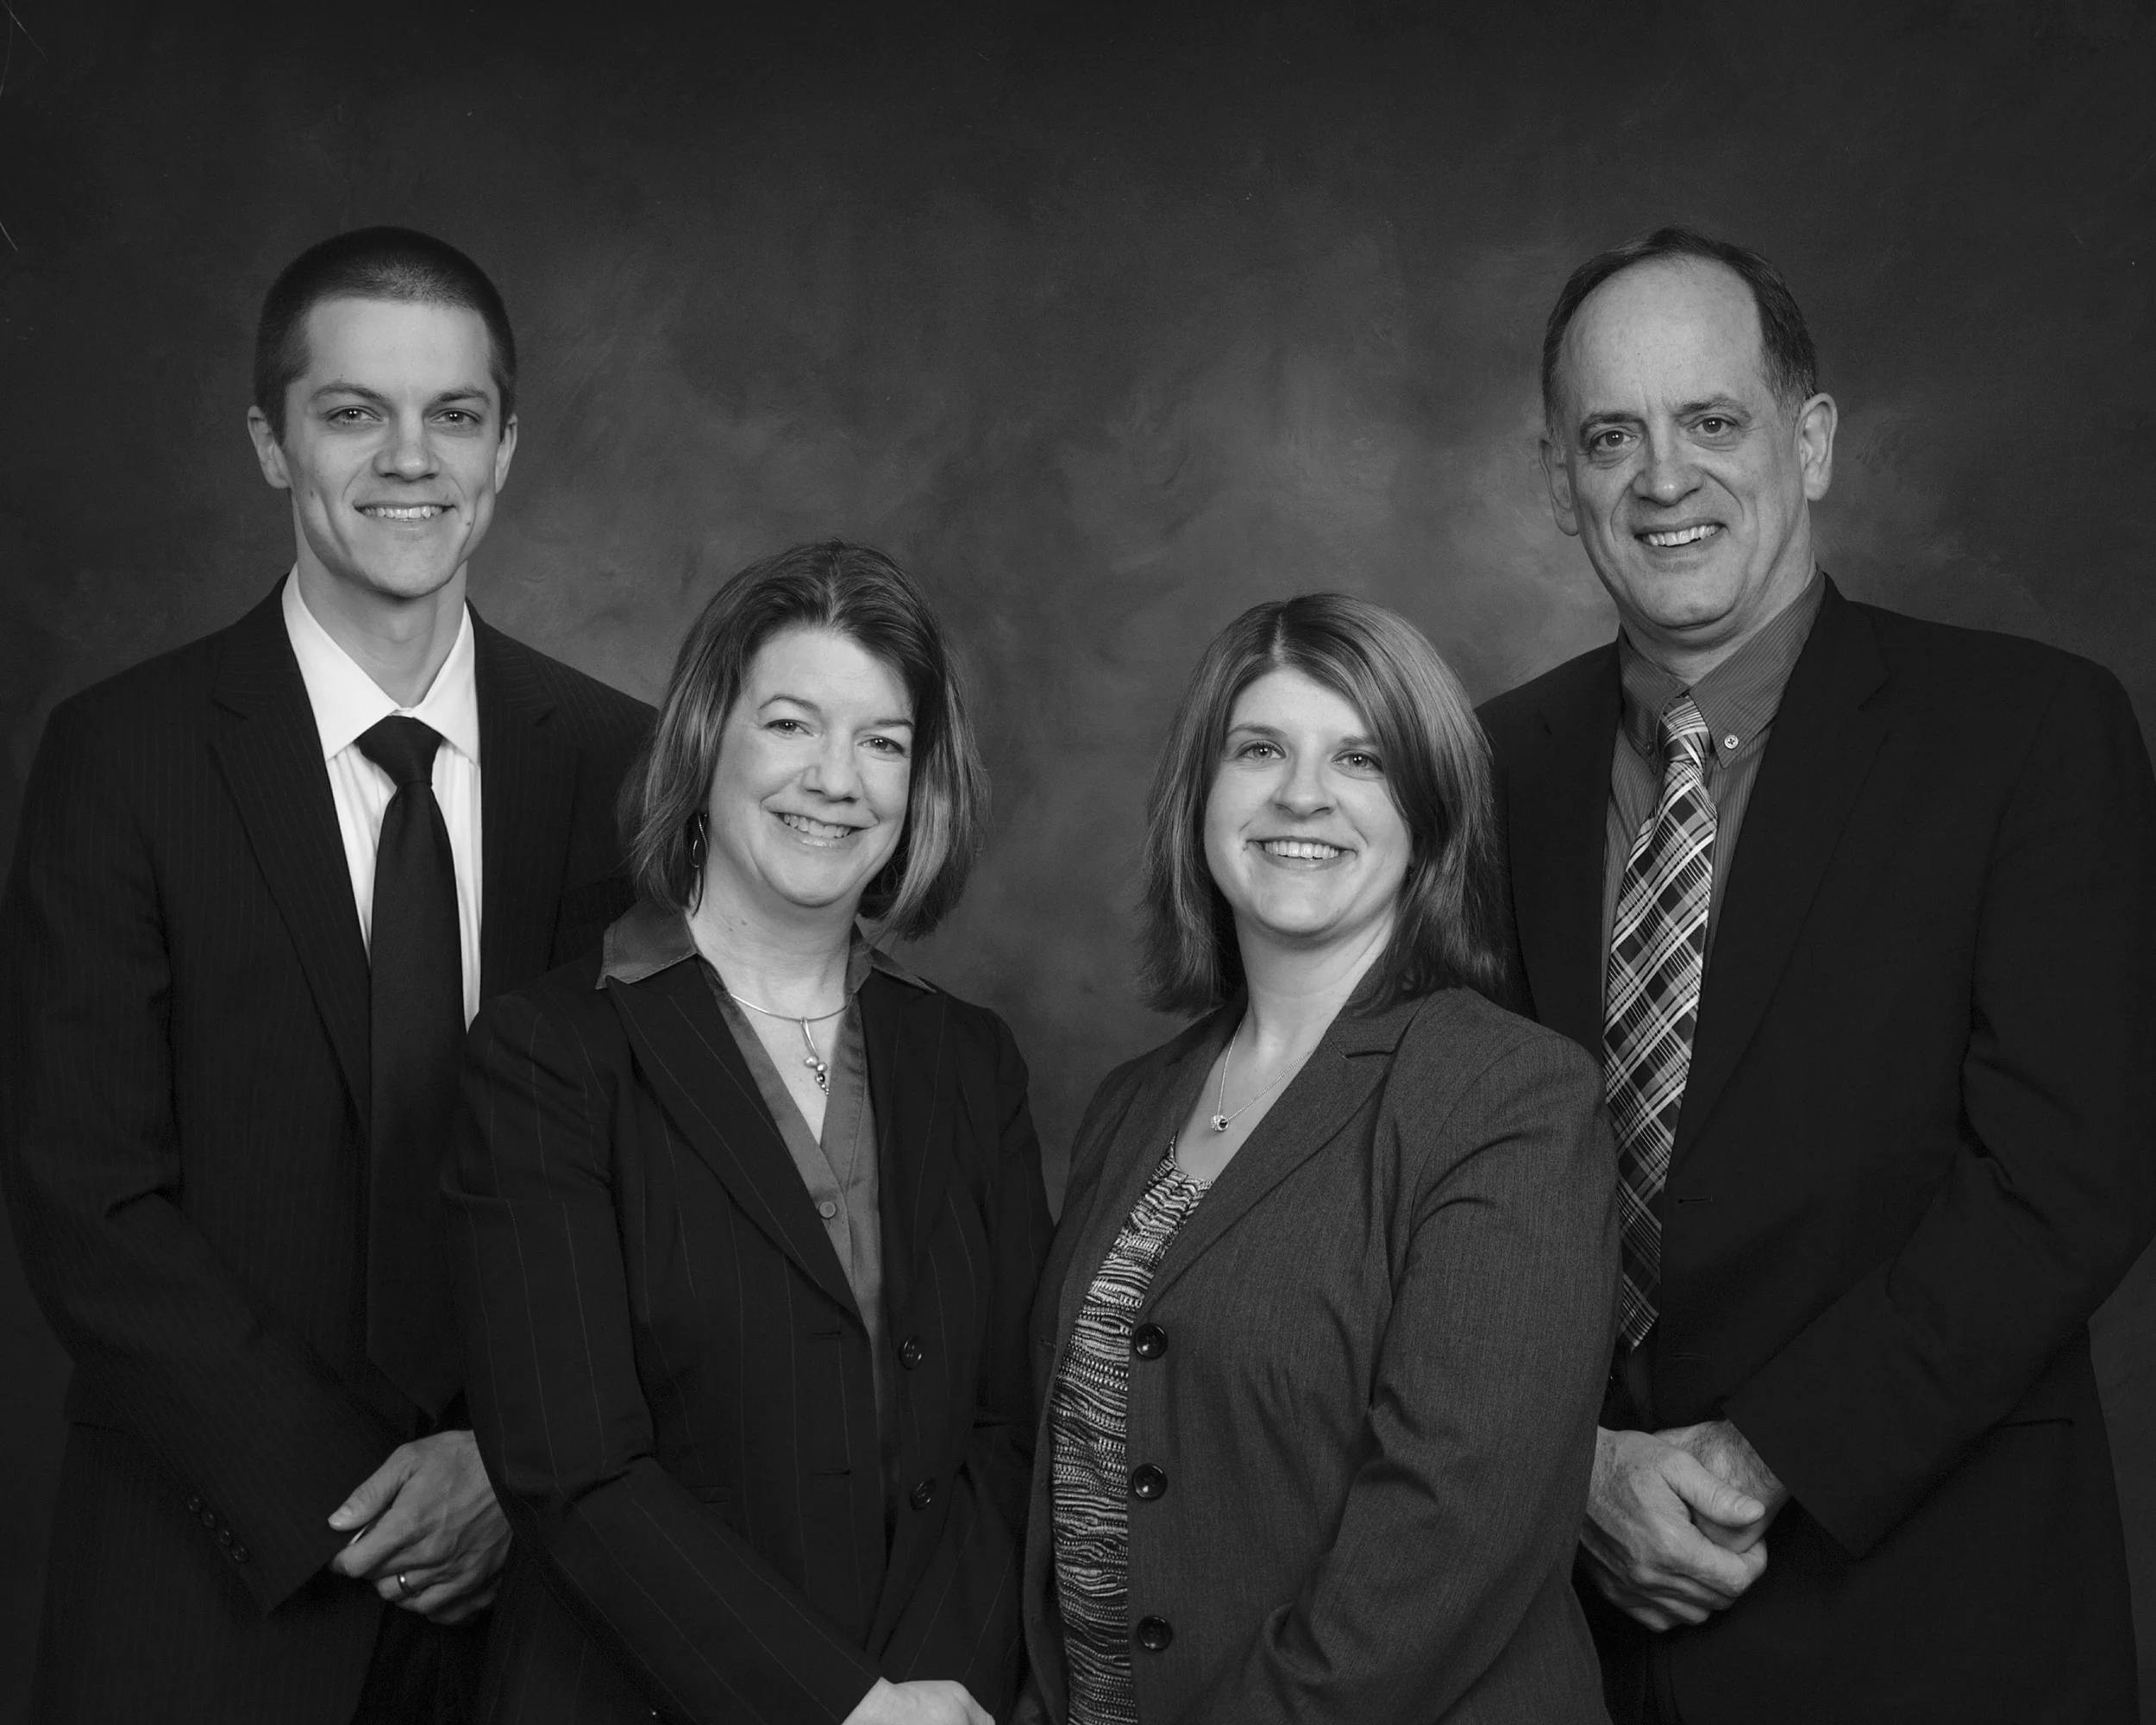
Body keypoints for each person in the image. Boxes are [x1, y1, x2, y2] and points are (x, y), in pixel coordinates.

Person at [1478, 225, 2156, 1722]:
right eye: (1613, 437)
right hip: (1573, 1645)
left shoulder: (2030, 736)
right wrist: (1572, 1468)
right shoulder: (1485, 770)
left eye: (1712, 421)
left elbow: (2068, 1180)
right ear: (1558, 480)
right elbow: (1421, 1190)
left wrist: (1746, 1463)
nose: (1665, 480)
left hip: (1932, 1619)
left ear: (1813, 439)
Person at [0, 227, 650, 1723]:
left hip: (543, 1591)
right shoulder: (125, 757)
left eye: (455, 416)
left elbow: (655, 1182)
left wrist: (511, 1462)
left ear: (505, 451)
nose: (408, 459)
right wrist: (340, 1499)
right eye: (353, 412)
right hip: (210, 1582)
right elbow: (83, 1192)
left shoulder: (622, 769)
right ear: (270, 444)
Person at [450, 541, 1052, 1725]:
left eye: (882, 742)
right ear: (707, 739)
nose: (837, 779)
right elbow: (576, 1473)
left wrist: (931, 1695)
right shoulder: (549, 1055)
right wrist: (836, 1707)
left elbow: (1013, 1424)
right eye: (791, 725)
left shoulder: (969, 1063)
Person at [1020, 593, 1618, 1724]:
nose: (1303, 794)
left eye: (1362, 759)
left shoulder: (1509, 1098)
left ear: (1430, 814)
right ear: (1202, 792)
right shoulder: (1133, 1103)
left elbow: (1447, 1536)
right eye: (1260, 750)